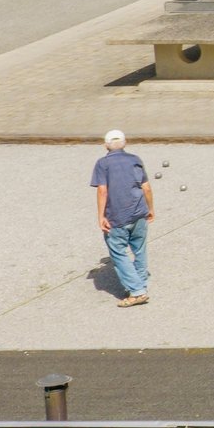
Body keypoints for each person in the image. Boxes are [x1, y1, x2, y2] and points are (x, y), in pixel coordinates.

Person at [90, 130, 151, 306]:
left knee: (118, 253)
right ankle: (140, 285)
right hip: (139, 212)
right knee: (139, 250)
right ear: (125, 143)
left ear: (105, 145)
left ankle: (137, 291)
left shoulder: (103, 164)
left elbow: (102, 190)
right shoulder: (135, 160)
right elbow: (146, 187)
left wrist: (101, 216)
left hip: (117, 217)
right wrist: (150, 209)